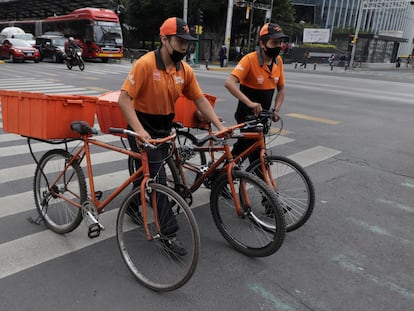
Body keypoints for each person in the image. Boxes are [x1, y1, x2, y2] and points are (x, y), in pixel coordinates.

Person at [118, 17, 225, 256]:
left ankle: (134, 204)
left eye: (188, 43)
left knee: (145, 173)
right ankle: (168, 234)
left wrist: (218, 125)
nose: (185, 47)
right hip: (142, 124)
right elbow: (124, 100)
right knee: (157, 180)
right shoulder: (145, 64)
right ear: (164, 40)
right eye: (180, 41)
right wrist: (139, 130)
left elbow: (199, 99)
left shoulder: (184, 70)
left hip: (164, 126)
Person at [224, 22, 287, 164]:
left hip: (263, 117)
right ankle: (265, 185)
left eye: (280, 42)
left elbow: (281, 88)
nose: (278, 46)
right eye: (274, 42)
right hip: (247, 117)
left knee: (240, 151)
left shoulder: (278, 61)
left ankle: (218, 177)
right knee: (257, 158)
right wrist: (250, 103)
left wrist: (276, 109)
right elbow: (229, 82)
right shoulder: (250, 59)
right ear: (263, 44)